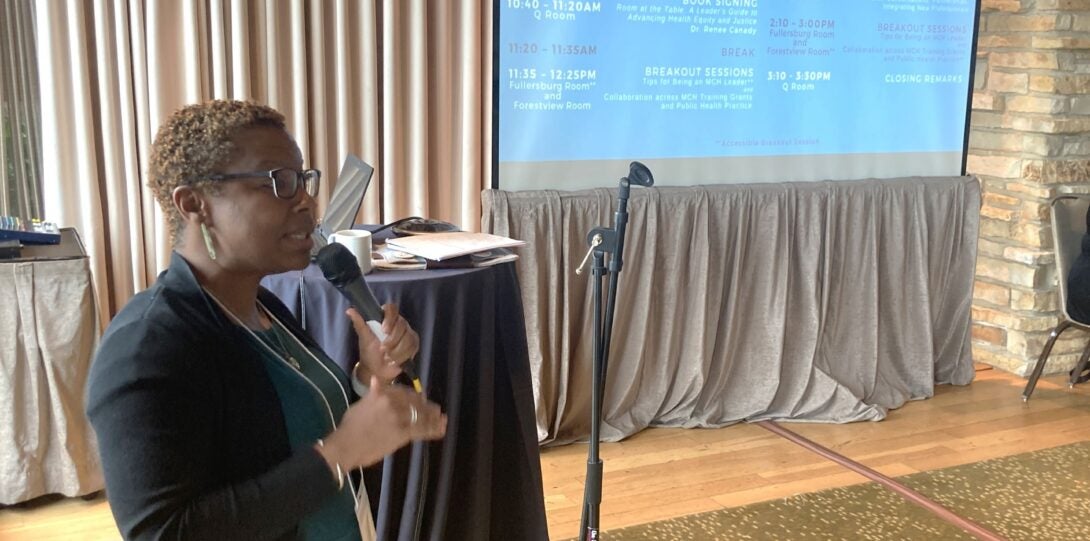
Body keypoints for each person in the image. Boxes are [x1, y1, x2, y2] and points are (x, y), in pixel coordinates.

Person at [85, 99, 446, 540]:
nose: (306, 202)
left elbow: (297, 434)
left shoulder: (263, 306)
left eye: (303, 179)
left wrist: (365, 378)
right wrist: (339, 454)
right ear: (194, 204)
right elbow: (163, 532)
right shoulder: (147, 346)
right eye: (278, 182)